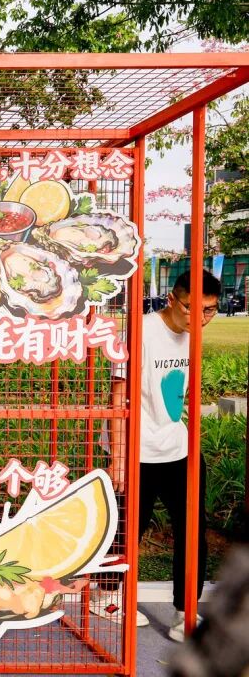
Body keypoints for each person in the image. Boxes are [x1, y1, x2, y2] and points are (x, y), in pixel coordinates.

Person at [92, 270, 221, 641]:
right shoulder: (140, 332)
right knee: (126, 528)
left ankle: (186, 611)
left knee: (192, 531)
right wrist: (119, 458)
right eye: (191, 308)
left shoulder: (194, 335)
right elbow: (118, 394)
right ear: (172, 299)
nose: (200, 318)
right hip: (136, 448)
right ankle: (106, 596)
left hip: (176, 446)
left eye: (210, 310)